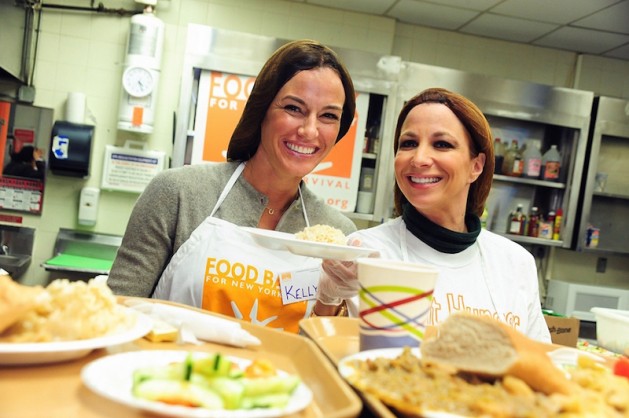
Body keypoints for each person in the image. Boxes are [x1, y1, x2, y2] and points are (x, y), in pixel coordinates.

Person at [107, 39, 357, 333]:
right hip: (172, 374)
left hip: (278, 378)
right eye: (294, 108)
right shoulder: (178, 194)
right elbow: (115, 314)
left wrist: (330, 299)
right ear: (262, 109)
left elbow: (325, 351)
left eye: (329, 116)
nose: (310, 130)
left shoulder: (339, 235)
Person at [314, 87, 551, 343]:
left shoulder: (515, 263)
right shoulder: (366, 251)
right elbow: (320, 354)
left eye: (441, 144)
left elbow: (542, 362)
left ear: (476, 166)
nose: (420, 158)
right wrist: (328, 299)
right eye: (409, 143)